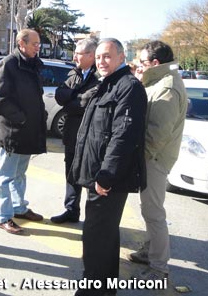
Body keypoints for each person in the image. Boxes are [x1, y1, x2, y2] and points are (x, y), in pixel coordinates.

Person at [70, 38, 147, 296]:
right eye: (99, 56)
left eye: (107, 56)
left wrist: (106, 175)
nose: (102, 61)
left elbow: (123, 136)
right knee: (105, 235)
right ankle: (104, 287)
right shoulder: (107, 84)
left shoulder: (129, 87)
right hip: (96, 174)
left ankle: (91, 288)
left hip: (107, 179)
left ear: (122, 56)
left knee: (95, 236)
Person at [127, 40, 187, 281]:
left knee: (153, 212)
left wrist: (140, 159)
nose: (139, 66)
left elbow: (157, 134)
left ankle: (158, 268)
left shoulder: (167, 87)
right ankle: (150, 251)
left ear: (155, 63)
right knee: (149, 209)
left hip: (155, 158)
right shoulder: (159, 81)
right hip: (152, 156)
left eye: (142, 63)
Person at [0, 29, 47, 235]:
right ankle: (4, 216)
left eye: (38, 44)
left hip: (28, 132)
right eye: (34, 43)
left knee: (20, 174)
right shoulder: (9, 64)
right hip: (14, 132)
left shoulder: (32, 64)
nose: (37, 47)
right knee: (6, 176)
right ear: (21, 43)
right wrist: (21, 118)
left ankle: (19, 207)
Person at [50, 38, 99, 224]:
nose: (75, 57)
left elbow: (85, 103)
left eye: (78, 54)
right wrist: (74, 96)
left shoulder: (99, 76)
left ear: (90, 55)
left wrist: (71, 99)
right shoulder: (75, 73)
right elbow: (59, 94)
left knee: (88, 176)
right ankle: (71, 210)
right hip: (72, 134)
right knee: (71, 174)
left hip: (89, 136)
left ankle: (93, 218)